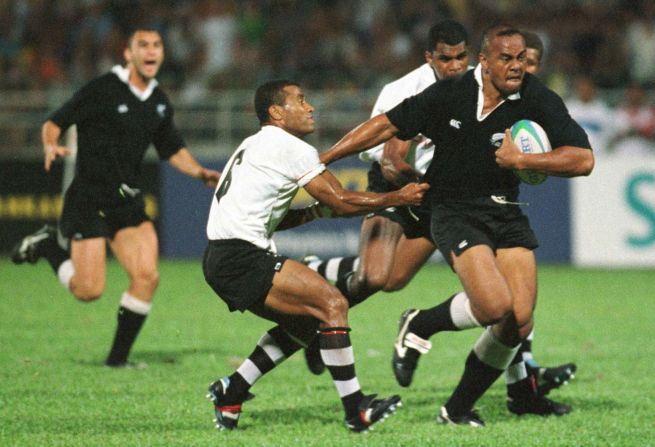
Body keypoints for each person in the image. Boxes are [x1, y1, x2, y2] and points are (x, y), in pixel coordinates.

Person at [319, 24, 594, 426]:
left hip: (505, 211)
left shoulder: (535, 97)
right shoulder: (450, 93)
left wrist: (525, 162)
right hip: (454, 210)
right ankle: (420, 324)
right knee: (493, 306)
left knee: (518, 321)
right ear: (484, 61)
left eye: (521, 58)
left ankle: (456, 408)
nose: (516, 67)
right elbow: (385, 125)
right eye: (506, 58)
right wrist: (325, 158)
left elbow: (583, 159)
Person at [202, 80, 429, 432]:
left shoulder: (253, 145)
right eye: (301, 101)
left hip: (222, 257)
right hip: (241, 257)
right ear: (276, 113)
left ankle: (232, 390)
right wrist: (397, 198)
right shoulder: (290, 147)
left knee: (306, 323)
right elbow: (340, 199)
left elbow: (271, 217)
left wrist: (311, 213)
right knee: (333, 304)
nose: (310, 108)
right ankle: (356, 410)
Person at [11, 27, 221, 368]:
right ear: (129, 54)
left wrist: (199, 172)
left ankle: (117, 361)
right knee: (88, 290)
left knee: (147, 277)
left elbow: (172, 149)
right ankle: (49, 244)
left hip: (127, 202)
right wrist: (50, 143)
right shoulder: (104, 89)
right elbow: (56, 121)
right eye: (143, 45)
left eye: (156, 45)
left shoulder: (158, 101)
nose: (151, 51)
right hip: (89, 199)